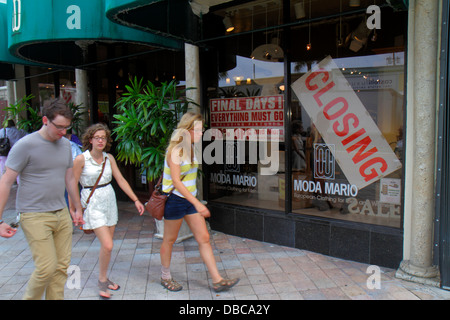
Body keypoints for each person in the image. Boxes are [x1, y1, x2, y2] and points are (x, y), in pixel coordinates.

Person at [0, 99, 84, 300]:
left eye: (67, 127)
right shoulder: (25, 145)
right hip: (34, 214)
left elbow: (70, 178)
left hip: (61, 213)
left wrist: (77, 208)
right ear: (45, 120)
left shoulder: (65, 145)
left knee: (61, 268)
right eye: (59, 127)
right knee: (46, 268)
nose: (63, 132)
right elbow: (6, 181)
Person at [160, 112, 239, 292]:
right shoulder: (176, 150)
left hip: (189, 200)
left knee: (203, 238)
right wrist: (197, 203)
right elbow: (176, 182)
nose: (201, 132)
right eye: (198, 129)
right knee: (169, 240)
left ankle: (217, 280)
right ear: (187, 130)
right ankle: (165, 277)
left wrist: (194, 201)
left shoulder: (191, 149)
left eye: (201, 129)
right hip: (175, 200)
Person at [72, 123, 145, 299]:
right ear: (90, 139)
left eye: (103, 138)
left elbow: (120, 180)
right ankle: (102, 281)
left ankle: (103, 278)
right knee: (108, 244)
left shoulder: (109, 158)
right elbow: (72, 185)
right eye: (97, 137)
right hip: (92, 202)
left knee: (108, 247)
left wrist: (136, 200)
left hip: (109, 201)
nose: (100, 140)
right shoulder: (81, 159)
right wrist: (74, 210)